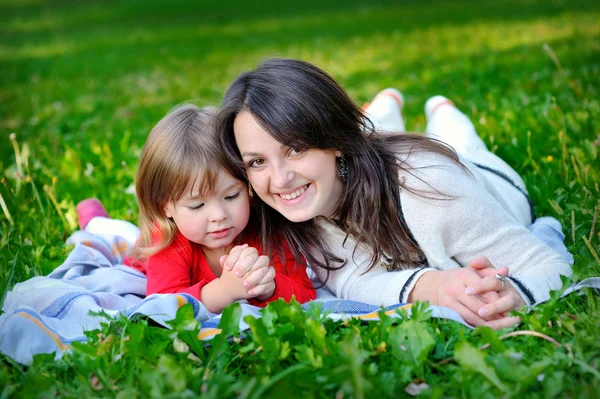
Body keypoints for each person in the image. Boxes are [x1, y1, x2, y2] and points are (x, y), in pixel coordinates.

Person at [217, 58, 572, 329]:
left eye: (296, 149)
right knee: (380, 138)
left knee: (462, 141)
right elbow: (349, 280)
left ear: (335, 139)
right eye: (258, 161)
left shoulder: (432, 190)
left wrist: (517, 292)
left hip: (489, 180)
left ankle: (443, 110)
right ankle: (383, 110)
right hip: (374, 160)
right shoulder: (293, 208)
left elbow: (550, 266)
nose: (279, 180)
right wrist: (426, 286)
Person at [79, 104, 315, 314]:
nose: (219, 216)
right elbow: (163, 306)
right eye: (197, 205)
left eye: (232, 195)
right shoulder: (167, 240)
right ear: (165, 206)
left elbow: (306, 292)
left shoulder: (264, 227)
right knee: (112, 234)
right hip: (143, 254)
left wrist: (268, 287)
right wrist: (223, 291)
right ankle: (92, 216)